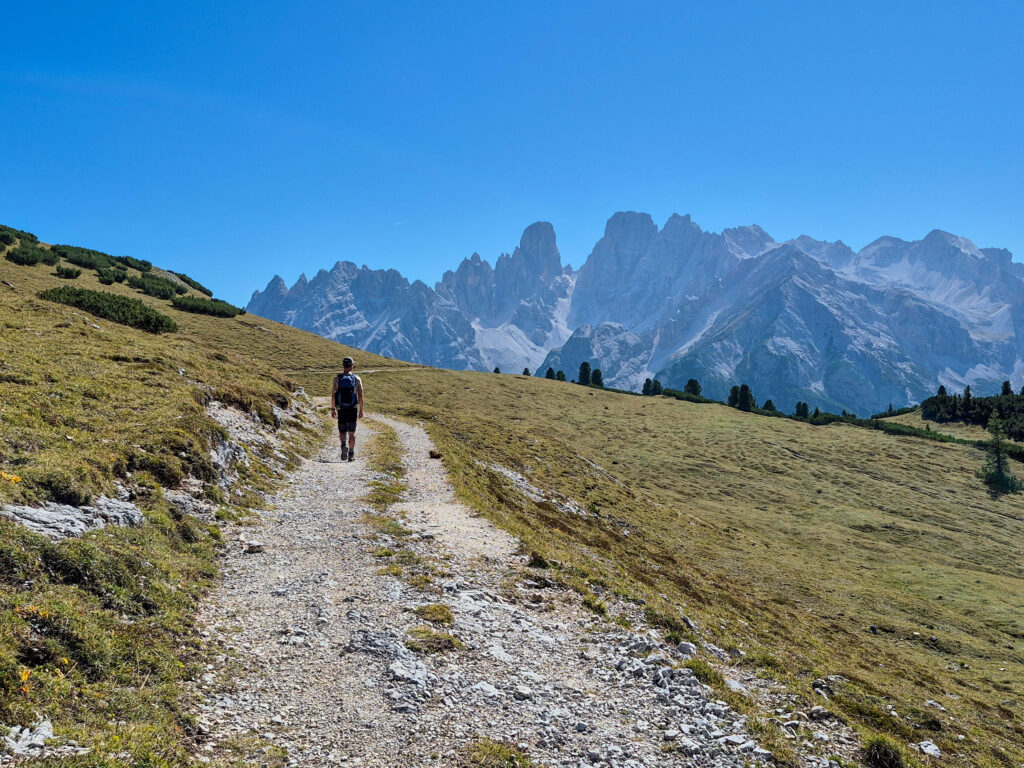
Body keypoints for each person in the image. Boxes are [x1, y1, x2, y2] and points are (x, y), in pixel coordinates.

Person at [330, 357, 364, 462]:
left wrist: (333, 409)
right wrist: (361, 410)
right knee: (352, 433)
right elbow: (360, 396)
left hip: (342, 409)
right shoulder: (356, 379)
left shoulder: (337, 379)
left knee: (342, 431)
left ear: (343, 366)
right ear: (351, 366)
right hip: (352, 409)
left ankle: (343, 446)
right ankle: (351, 454)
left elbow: (333, 395)